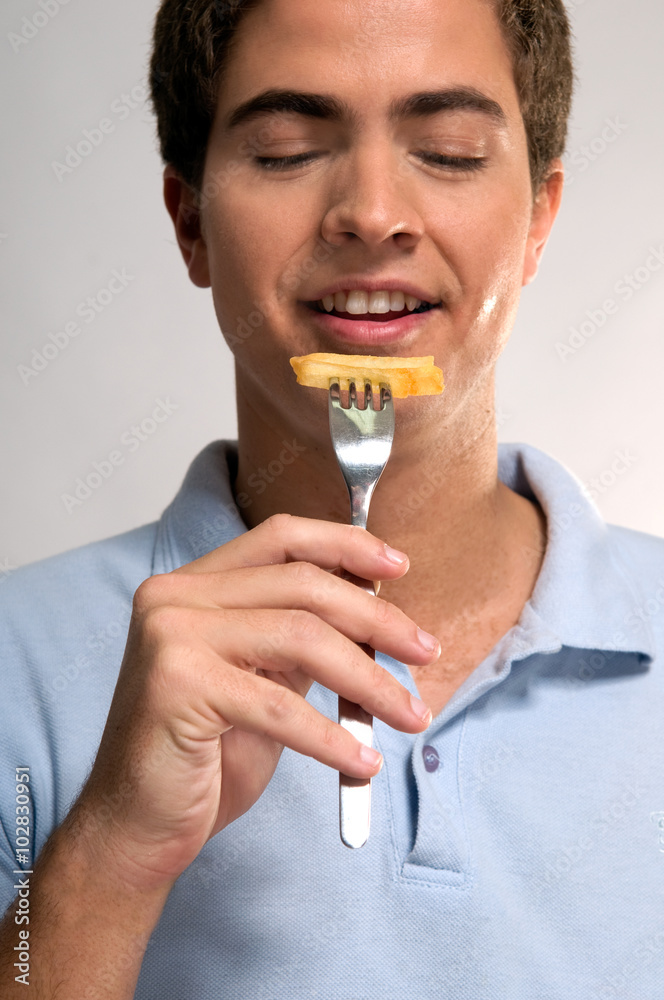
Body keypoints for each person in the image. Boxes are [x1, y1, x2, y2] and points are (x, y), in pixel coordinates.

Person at [1, 0, 663, 996]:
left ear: (538, 220)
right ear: (190, 223)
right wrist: (107, 858)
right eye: (286, 151)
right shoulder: (14, 661)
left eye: (447, 151)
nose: (372, 212)